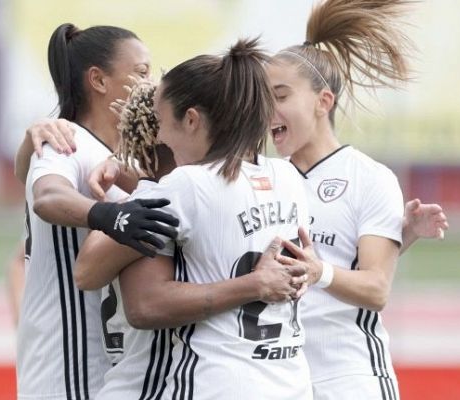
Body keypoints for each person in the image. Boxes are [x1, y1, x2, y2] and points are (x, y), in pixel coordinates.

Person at [78, 38, 316, 399]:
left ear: (191, 120)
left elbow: (95, 276)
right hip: (291, 382)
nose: (157, 134)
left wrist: (142, 186)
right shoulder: (290, 178)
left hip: (219, 384)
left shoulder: (186, 186)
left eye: (159, 121)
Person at [265, 0, 445, 398]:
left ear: (322, 102)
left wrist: (320, 272)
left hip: (349, 379)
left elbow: (376, 287)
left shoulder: (370, 177)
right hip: (279, 383)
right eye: (262, 97)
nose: (267, 110)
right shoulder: (264, 177)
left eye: (279, 95)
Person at [16, 23, 180, 400]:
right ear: (98, 80)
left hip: (108, 366)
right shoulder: (64, 140)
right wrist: (112, 217)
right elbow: (47, 198)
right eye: (141, 72)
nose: (151, 84)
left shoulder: (120, 157)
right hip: (67, 363)